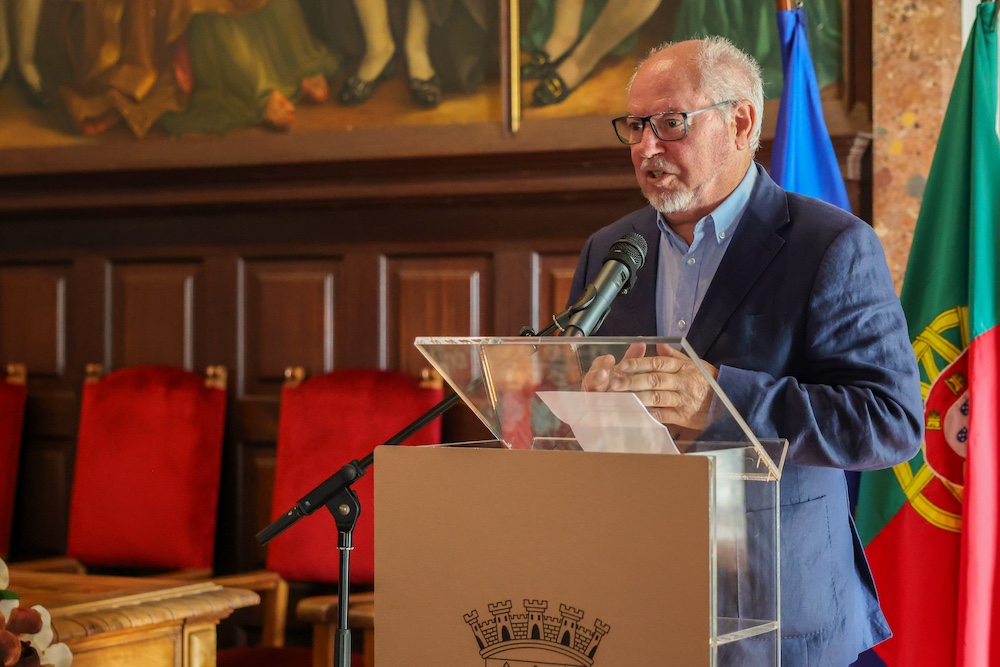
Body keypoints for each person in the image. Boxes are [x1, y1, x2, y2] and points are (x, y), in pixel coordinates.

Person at [568, 37, 923, 665]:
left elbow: (889, 423)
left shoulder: (829, 245)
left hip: (781, 619)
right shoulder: (611, 249)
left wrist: (719, 400)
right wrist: (582, 405)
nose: (646, 148)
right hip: (640, 605)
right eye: (634, 126)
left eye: (670, 124)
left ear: (741, 121)